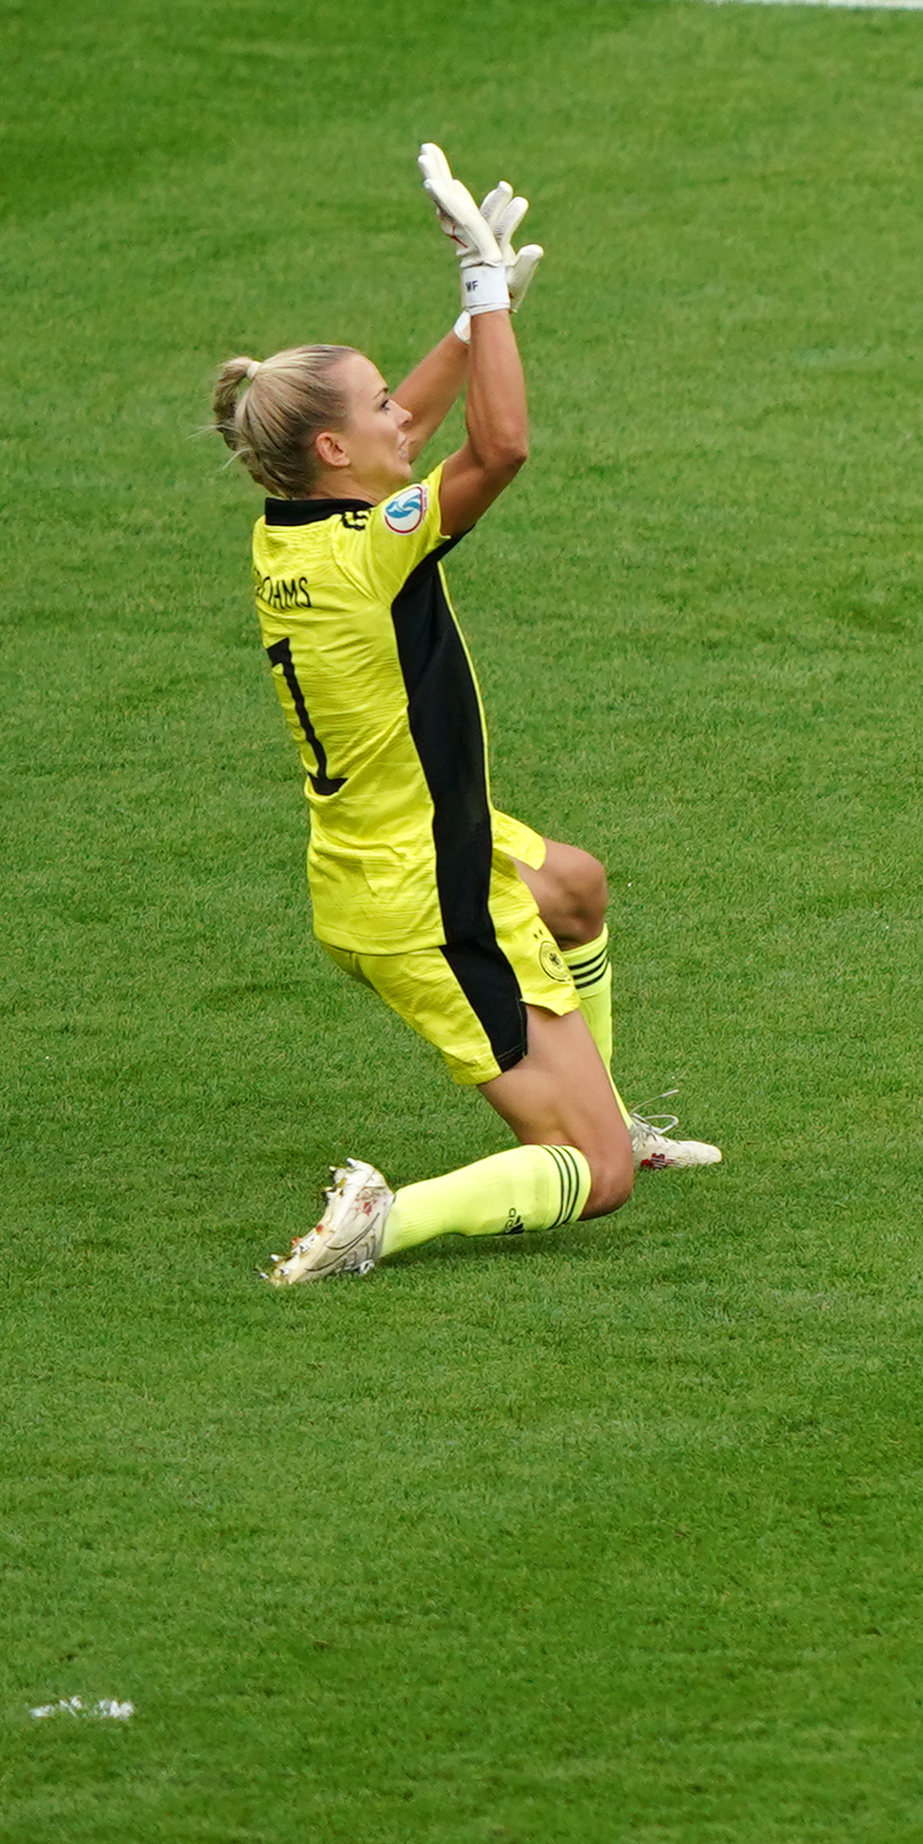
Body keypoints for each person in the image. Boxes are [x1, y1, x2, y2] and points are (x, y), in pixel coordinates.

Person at [236, 148, 718, 1287]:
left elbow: (407, 425)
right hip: (422, 890)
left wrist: (475, 306)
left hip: (384, 850)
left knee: (576, 886)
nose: (404, 412)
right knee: (585, 1177)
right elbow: (499, 449)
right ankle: (381, 1220)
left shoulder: (291, 531)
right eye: (380, 409)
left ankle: (608, 1114)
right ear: (333, 452)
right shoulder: (370, 550)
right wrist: (486, 299)